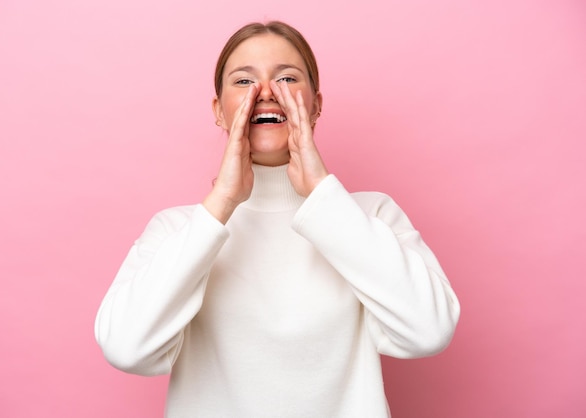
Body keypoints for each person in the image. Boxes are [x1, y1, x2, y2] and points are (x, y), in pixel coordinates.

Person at [95, 21, 460, 418]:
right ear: (219, 110)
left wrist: (321, 192)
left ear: (316, 104)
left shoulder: (369, 215)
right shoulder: (177, 230)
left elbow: (429, 332)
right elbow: (126, 348)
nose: (266, 93)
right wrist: (222, 203)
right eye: (243, 81)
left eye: (286, 77)